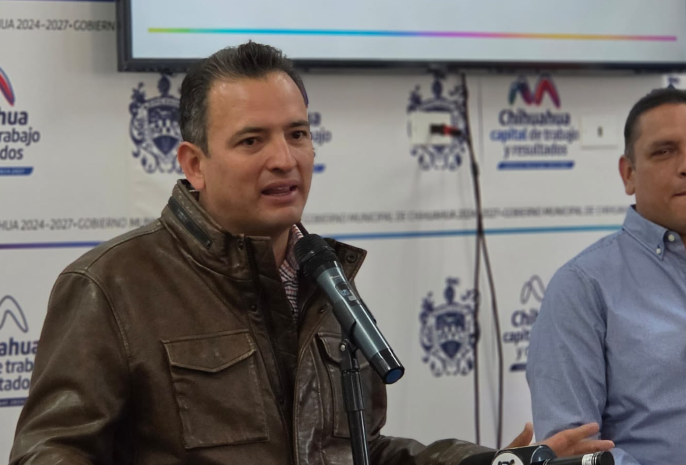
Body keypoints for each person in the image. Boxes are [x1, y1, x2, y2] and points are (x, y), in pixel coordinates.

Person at [10, 42, 612, 464]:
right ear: (194, 163)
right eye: (252, 140)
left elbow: (361, 451)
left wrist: (489, 463)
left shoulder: (325, 277)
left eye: (298, 134)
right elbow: (50, 454)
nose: (285, 159)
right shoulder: (112, 284)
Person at [527, 86, 686, 465]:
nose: (685, 166)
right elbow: (573, 453)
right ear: (628, 174)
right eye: (665, 151)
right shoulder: (582, 287)